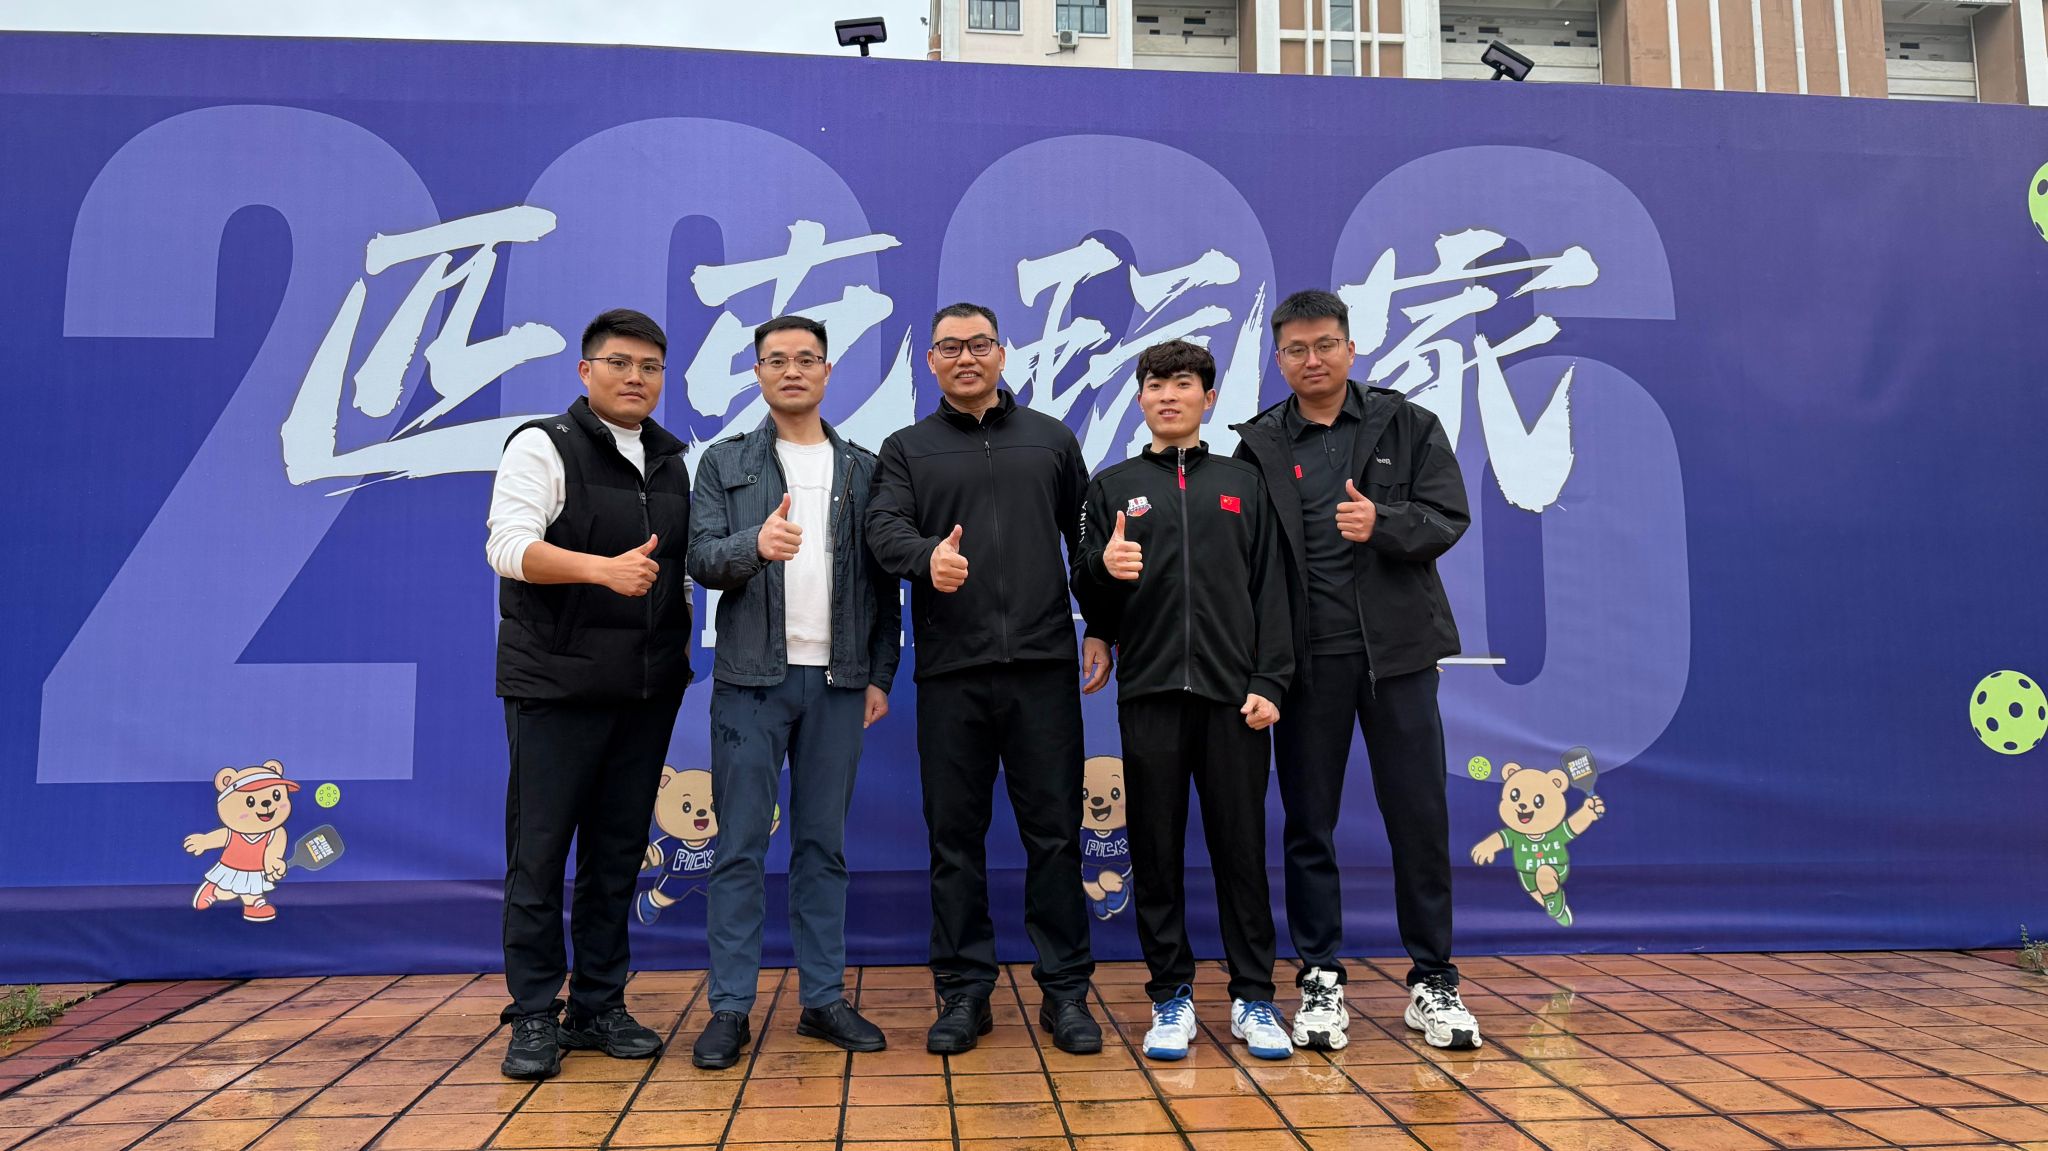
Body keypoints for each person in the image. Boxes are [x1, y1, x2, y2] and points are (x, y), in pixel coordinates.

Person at [1231, 289, 1482, 1051]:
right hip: (1306, 666)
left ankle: (1433, 978)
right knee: (1309, 824)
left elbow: (1448, 516)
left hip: (1398, 659)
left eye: (1325, 345)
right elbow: (1240, 555)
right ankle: (1320, 975)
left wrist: (1384, 523)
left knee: (1419, 816)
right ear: (1279, 359)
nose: (1312, 359)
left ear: (1350, 347)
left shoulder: (1407, 423)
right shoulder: (1259, 444)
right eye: (1296, 349)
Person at [864, 303, 1102, 1056]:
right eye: (949, 347)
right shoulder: (907, 448)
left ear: (1003, 353)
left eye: (979, 344)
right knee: (954, 839)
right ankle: (964, 991)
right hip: (952, 671)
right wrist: (926, 556)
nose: (965, 358)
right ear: (930, 361)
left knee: (1055, 835)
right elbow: (883, 531)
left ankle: (1066, 992)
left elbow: (1087, 542)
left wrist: (1101, 623)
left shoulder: (1051, 439)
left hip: (1042, 668)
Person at [683, 315, 901, 1069]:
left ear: (828, 371)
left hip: (840, 682)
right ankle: (730, 1008)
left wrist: (879, 674)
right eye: (776, 360)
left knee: (822, 846)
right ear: (757, 374)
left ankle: (823, 999)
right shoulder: (725, 462)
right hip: (750, 681)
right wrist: (755, 545)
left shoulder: (865, 467)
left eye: (806, 358)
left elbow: (883, 585)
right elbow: (700, 557)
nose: (792, 370)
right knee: (739, 846)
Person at [484, 309, 693, 1080]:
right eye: (619, 362)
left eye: (650, 366)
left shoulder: (671, 460)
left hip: (645, 692)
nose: (636, 377)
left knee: (615, 857)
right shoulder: (543, 444)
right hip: (556, 685)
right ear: (585, 370)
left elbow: (682, 567)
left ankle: (598, 1004)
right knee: (538, 856)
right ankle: (534, 1013)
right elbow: (507, 546)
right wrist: (601, 569)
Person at [1072, 340, 1294, 1063]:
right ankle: (1170, 995)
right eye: (1155, 385)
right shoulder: (1112, 486)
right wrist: (1102, 576)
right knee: (1156, 851)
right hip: (1150, 693)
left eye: (1183, 384)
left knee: (1242, 851)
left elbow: (1273, 589)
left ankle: (1254, 996)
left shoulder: (1245, 483)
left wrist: (1270, 680)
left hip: (1235, 699)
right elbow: (1087, 581)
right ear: (1140, 399)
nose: (1168, 396)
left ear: (1208, 397)